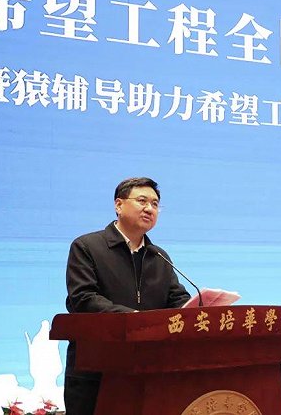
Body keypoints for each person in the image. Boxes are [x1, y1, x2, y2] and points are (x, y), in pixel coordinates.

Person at [63, 177, 191, 415]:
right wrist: (132, 319)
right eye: (142, 201)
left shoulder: (158, 256)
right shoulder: (87, 247)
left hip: (148, 370)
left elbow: (177, 299)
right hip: (96, 371)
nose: (149, 208)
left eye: (155, 204)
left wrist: (200, 308)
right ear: (118, 205)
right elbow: (83, 298)